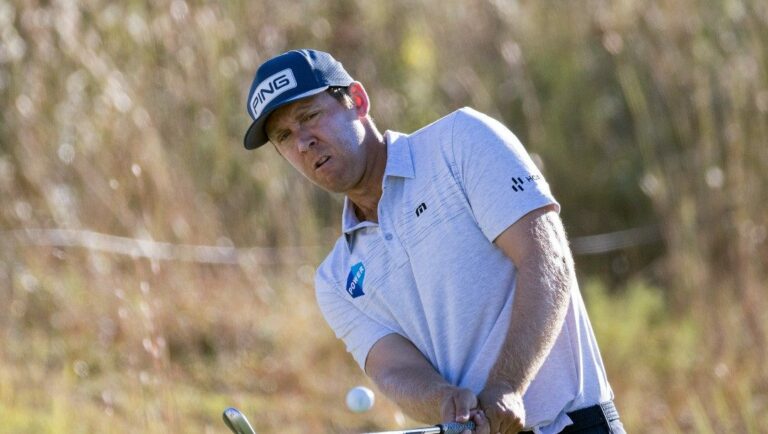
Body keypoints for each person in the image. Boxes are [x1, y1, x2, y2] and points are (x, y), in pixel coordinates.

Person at [242, 49, 626, 434]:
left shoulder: (460, 142)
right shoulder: (335, 280)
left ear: (357, 101)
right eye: (284, 136)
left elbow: (547, 259)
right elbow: (395, 368)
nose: (304, 142)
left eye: (310, 116)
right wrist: (444, 399)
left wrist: (507, 385)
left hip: (574, 424)